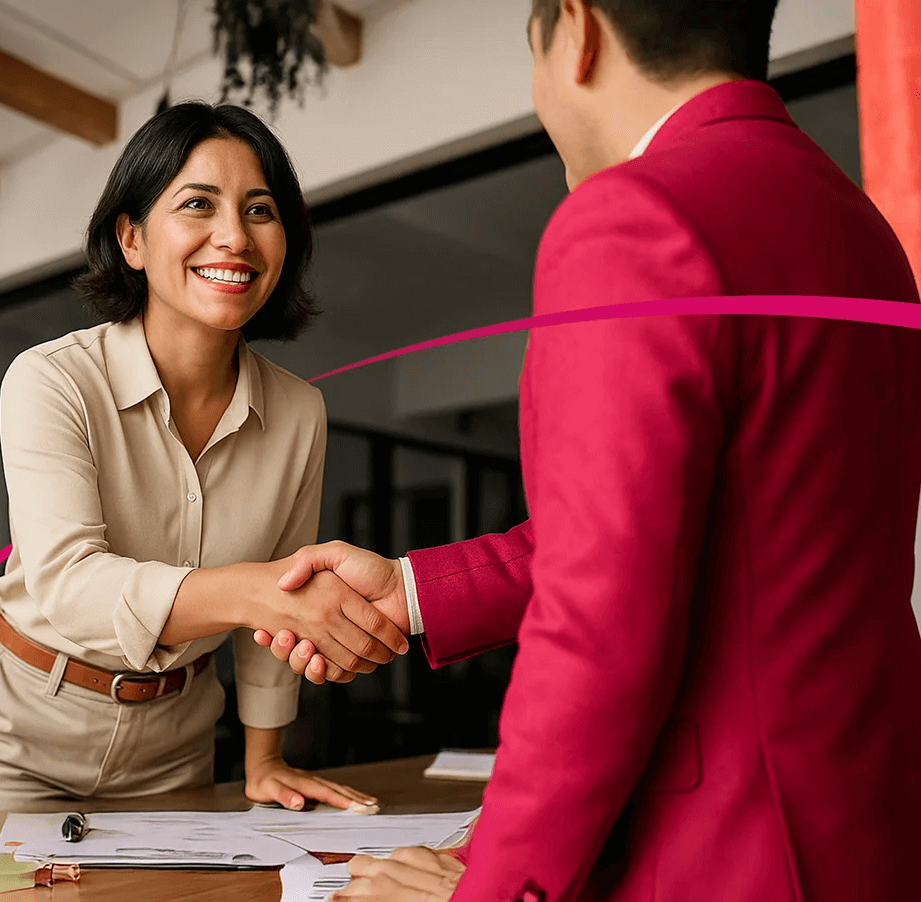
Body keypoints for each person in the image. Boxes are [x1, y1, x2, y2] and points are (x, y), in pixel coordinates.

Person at [257, 0, 921, 899]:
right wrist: (412, 593)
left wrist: (491, 890)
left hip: (718, 856)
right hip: (864, 832)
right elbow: (702, 529)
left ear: (577, 31)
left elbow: (602, 618)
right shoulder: (864, 232)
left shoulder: (636, 217)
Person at [0, 101, 408, 814]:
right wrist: (256, 589)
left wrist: (265, 758)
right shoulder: (51, 380)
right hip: (17, 737)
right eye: (198, 204)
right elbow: (71, 585)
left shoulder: (299, 413)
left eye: (260, 210)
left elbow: (274, 613)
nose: (234, 237)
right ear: (132, 238)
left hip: (174, 749)